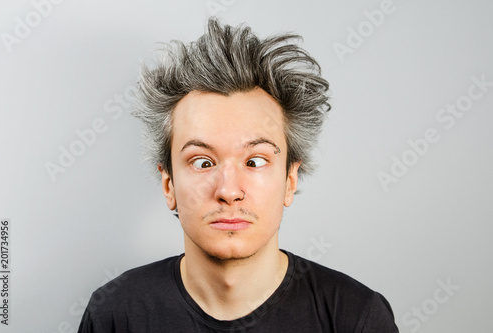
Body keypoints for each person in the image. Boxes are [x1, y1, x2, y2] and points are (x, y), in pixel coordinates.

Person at [77, 18, 399, 332]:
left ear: (290, 180)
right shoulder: (114, 314)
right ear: (168, 184)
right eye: (203, 162)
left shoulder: (355, 317)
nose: (229, 191)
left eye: (255, 161)